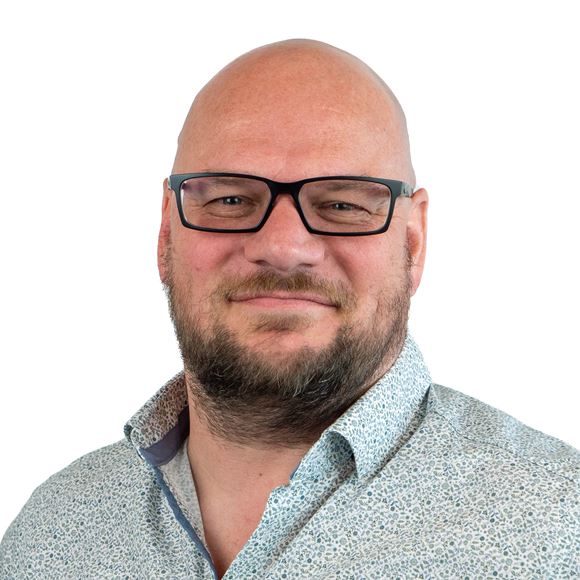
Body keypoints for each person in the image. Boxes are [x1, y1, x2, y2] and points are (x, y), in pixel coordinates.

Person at [1, 38, 578, 579]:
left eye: (342, 204)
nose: (282, 247)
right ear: (166, 232)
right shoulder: (50, 536)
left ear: (413, 242)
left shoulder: (559, 528)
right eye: (230, 198)